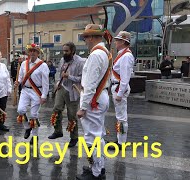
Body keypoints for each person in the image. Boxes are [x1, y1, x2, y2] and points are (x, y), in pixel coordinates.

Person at [76, 24, 111, 180]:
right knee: (98, 136)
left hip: (93, 99)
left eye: (86, 38)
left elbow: (90, 84)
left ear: (92, 37)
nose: (85, 41)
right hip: (99, 97)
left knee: (92, 138)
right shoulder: (104, 52)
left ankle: (96, 172)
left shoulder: (96, 54)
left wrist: (83, 107)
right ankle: (98, 166)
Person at [48, 42, 84, 148]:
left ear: (72, 51)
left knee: (72, 115)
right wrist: (57, 83)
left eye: (66, 51)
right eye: (63, 50)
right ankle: (58, 131)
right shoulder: (63, 60)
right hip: (62, 87)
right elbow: (59, 73)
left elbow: (82, 78)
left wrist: (70, 76)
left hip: (73, 90)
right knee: (56, 108)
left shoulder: (80, 62)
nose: (64, 53)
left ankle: (74, 137)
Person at [15, 43, 49, 145]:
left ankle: (35, 136)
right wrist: (18, 82)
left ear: (38, 53)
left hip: (37, 91)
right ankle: (27, 127)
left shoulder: (43, 65)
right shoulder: (24, 64)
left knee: (34, 114)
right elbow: (21, 77)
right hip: (25, 90)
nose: (32, 53)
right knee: (20, 110)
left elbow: (45, 82)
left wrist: (44, 95)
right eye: (31, 51)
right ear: (28, 52)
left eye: (35, 51)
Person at [108, 31, 135, 151]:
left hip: (119, 88)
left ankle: (121, 143)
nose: (116, 42)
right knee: (119, 117)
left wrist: (119, 93)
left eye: (118, 40)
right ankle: (119, 140)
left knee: (122, 118)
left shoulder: (126, 56)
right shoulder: (122, 54)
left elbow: (125, 77)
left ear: (124, 42)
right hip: (117, 86)